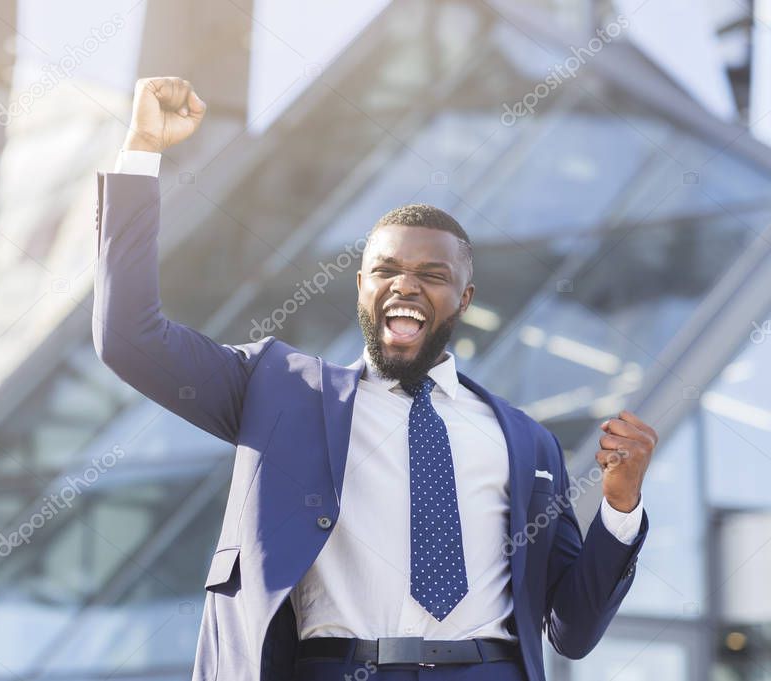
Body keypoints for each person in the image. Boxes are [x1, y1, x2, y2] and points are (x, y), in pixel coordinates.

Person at [92, 76, 656, 681]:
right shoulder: (278, 392)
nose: (405, 284)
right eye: (385, 269)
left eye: (430, 274)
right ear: (361, 287)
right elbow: (129, 336)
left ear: (463, 297)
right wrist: (143, 147)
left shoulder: (526, 441)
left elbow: (570, 630)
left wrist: (621, 508)